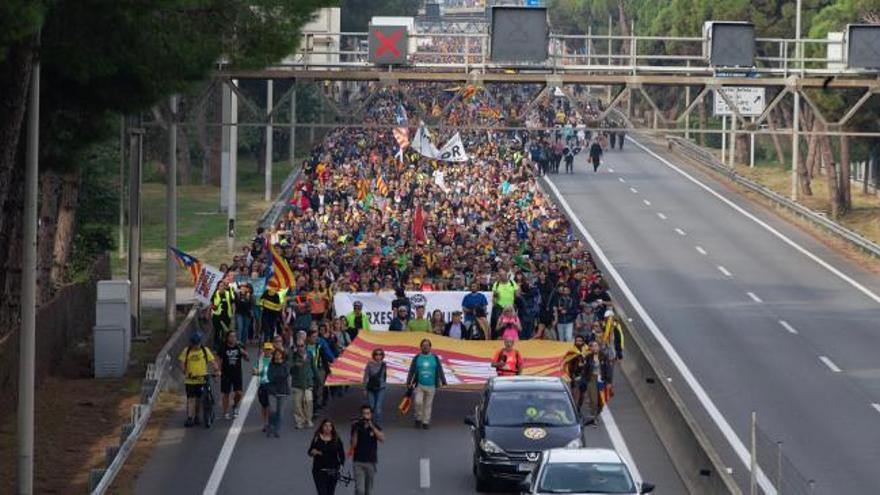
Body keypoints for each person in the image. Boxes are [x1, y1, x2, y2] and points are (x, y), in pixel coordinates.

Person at [178, 331, 219, 427]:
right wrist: (184, 371)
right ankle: (190, 418)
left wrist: (216, 370)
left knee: (199, 399)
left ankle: (197, 415)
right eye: (196, 344)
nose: (197, 345)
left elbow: (213, 361)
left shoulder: (205, 350)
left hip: (202, 379)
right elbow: (182, 362)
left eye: (199, 343)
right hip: (190, 380)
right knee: (191, 399)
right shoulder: (187, 351)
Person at [406, 339, 447, 429]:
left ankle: (425, 422)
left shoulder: (435, 357)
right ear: (421, 347)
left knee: (428, 404)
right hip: (419, 385)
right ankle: (418, 417)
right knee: (418, 402)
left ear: (430, 347)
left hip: (431, 385)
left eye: (427, 345)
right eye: (423, 345)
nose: (425, 347)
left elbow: (439, 369)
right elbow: (412, 370)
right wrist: (409, 382)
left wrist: (443, 381)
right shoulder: (417, 357)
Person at [351, 405, 385, 495]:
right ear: (361, 415)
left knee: (368, 491)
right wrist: (355, 430)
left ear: (371, 415)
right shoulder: (356, 426)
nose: (366, 415)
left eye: (368, 413)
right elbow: (353, 445)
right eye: (364, 413)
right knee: (360, 490)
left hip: (371, 462)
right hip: (358, 461)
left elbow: (382, 439)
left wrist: (372, 427)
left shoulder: (375, 426)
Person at [309, 419, 346, 495]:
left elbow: (341, 454)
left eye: (330, 426)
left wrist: (341, 465)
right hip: (319, 471)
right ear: (322, 427)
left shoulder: (336, 439)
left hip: (333, 471)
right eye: (325, 425)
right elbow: (310, 451)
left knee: (330, 493)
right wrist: (313, 452)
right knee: (322, 493)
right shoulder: (317, 438)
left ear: (332, 428)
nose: (328, 427)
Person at [219, 331, 249, 420]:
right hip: (226, 374)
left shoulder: (238, 347)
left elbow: (247, 358)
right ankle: (225, 412)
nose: (233, 338)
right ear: (227, 338)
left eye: (235, 336)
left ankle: (235, 405)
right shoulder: (223, 348)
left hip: (237, 374)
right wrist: (218, 371)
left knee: (239, 393)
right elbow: (219, 360)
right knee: (226, 394)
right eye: (231, 336)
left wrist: (243, 352)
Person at [290, 340, 318, 429]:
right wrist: (295, 365)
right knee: (297, 404)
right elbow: (289, 367)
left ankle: (308, 419)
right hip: (297, 383)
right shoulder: (293, 355)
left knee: (308, 402)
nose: (300, 348)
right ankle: (299, 421)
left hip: (308, 382)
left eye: (302, 346)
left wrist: (319, 380)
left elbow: (314, 368)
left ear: (305, 346)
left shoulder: (309, 354)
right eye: (298, 346)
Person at [266, 348, 290, 437]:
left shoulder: (286, 365)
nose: (277, 355)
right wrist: (278, 377)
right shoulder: (271, 364)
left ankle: (277, 429)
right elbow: (269, 377)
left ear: (282, 355)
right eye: (276, 354)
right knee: (272, 410)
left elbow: (285, 375)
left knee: (280, 412)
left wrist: (276, 377)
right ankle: (270, 425)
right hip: (272, 391)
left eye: (279, 354)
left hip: (283, 391)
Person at [252, 342, 274, 432]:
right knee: (264, 405)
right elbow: (254, 371)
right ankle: (265, 423)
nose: (268, 351)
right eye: (266, 349)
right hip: (263, 385)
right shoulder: (260, 360)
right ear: (263, 350)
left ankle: (270, 423)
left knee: (270, 405)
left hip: (272, 385)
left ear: (272, 350)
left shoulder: (274, 360)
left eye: (269, 349)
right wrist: (257, 371)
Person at [362, 349, 387, 424]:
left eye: (380, 354)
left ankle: (376, 425)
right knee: (371, 407)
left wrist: (383, 384)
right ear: (374, 355)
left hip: (381, 388)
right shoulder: (369, 364)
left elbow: (384, 376)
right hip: (370, 388)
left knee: (378, 409)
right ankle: (371, 423)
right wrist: (364, 389)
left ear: (382, 356)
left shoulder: (384, 364)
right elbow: (365, 377)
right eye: (376, 354)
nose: (378, 356)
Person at [567, 335, 590, 411]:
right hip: (574, 374)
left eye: (580, 341)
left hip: (584, 375)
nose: (579, 342)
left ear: (583, 342)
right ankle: (574, 409)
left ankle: (579, 408)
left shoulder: (587, 351)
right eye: (577, 341)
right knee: (575, 393)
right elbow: (568, 363)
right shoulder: (572, 351)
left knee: (582, 394)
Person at [210, 281, 235, 349]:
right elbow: (211, 304)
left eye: (223, 286)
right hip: (217, 316)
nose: (222, 287)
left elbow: (232, 303)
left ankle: (225, 346)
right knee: (217, 331)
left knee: (225, 332)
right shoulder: (215, 294)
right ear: (218, 287)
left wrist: (233, 314)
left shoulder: (228, 293)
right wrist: (213, 307)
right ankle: (216, 346)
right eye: (220, 286)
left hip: (226, 316)